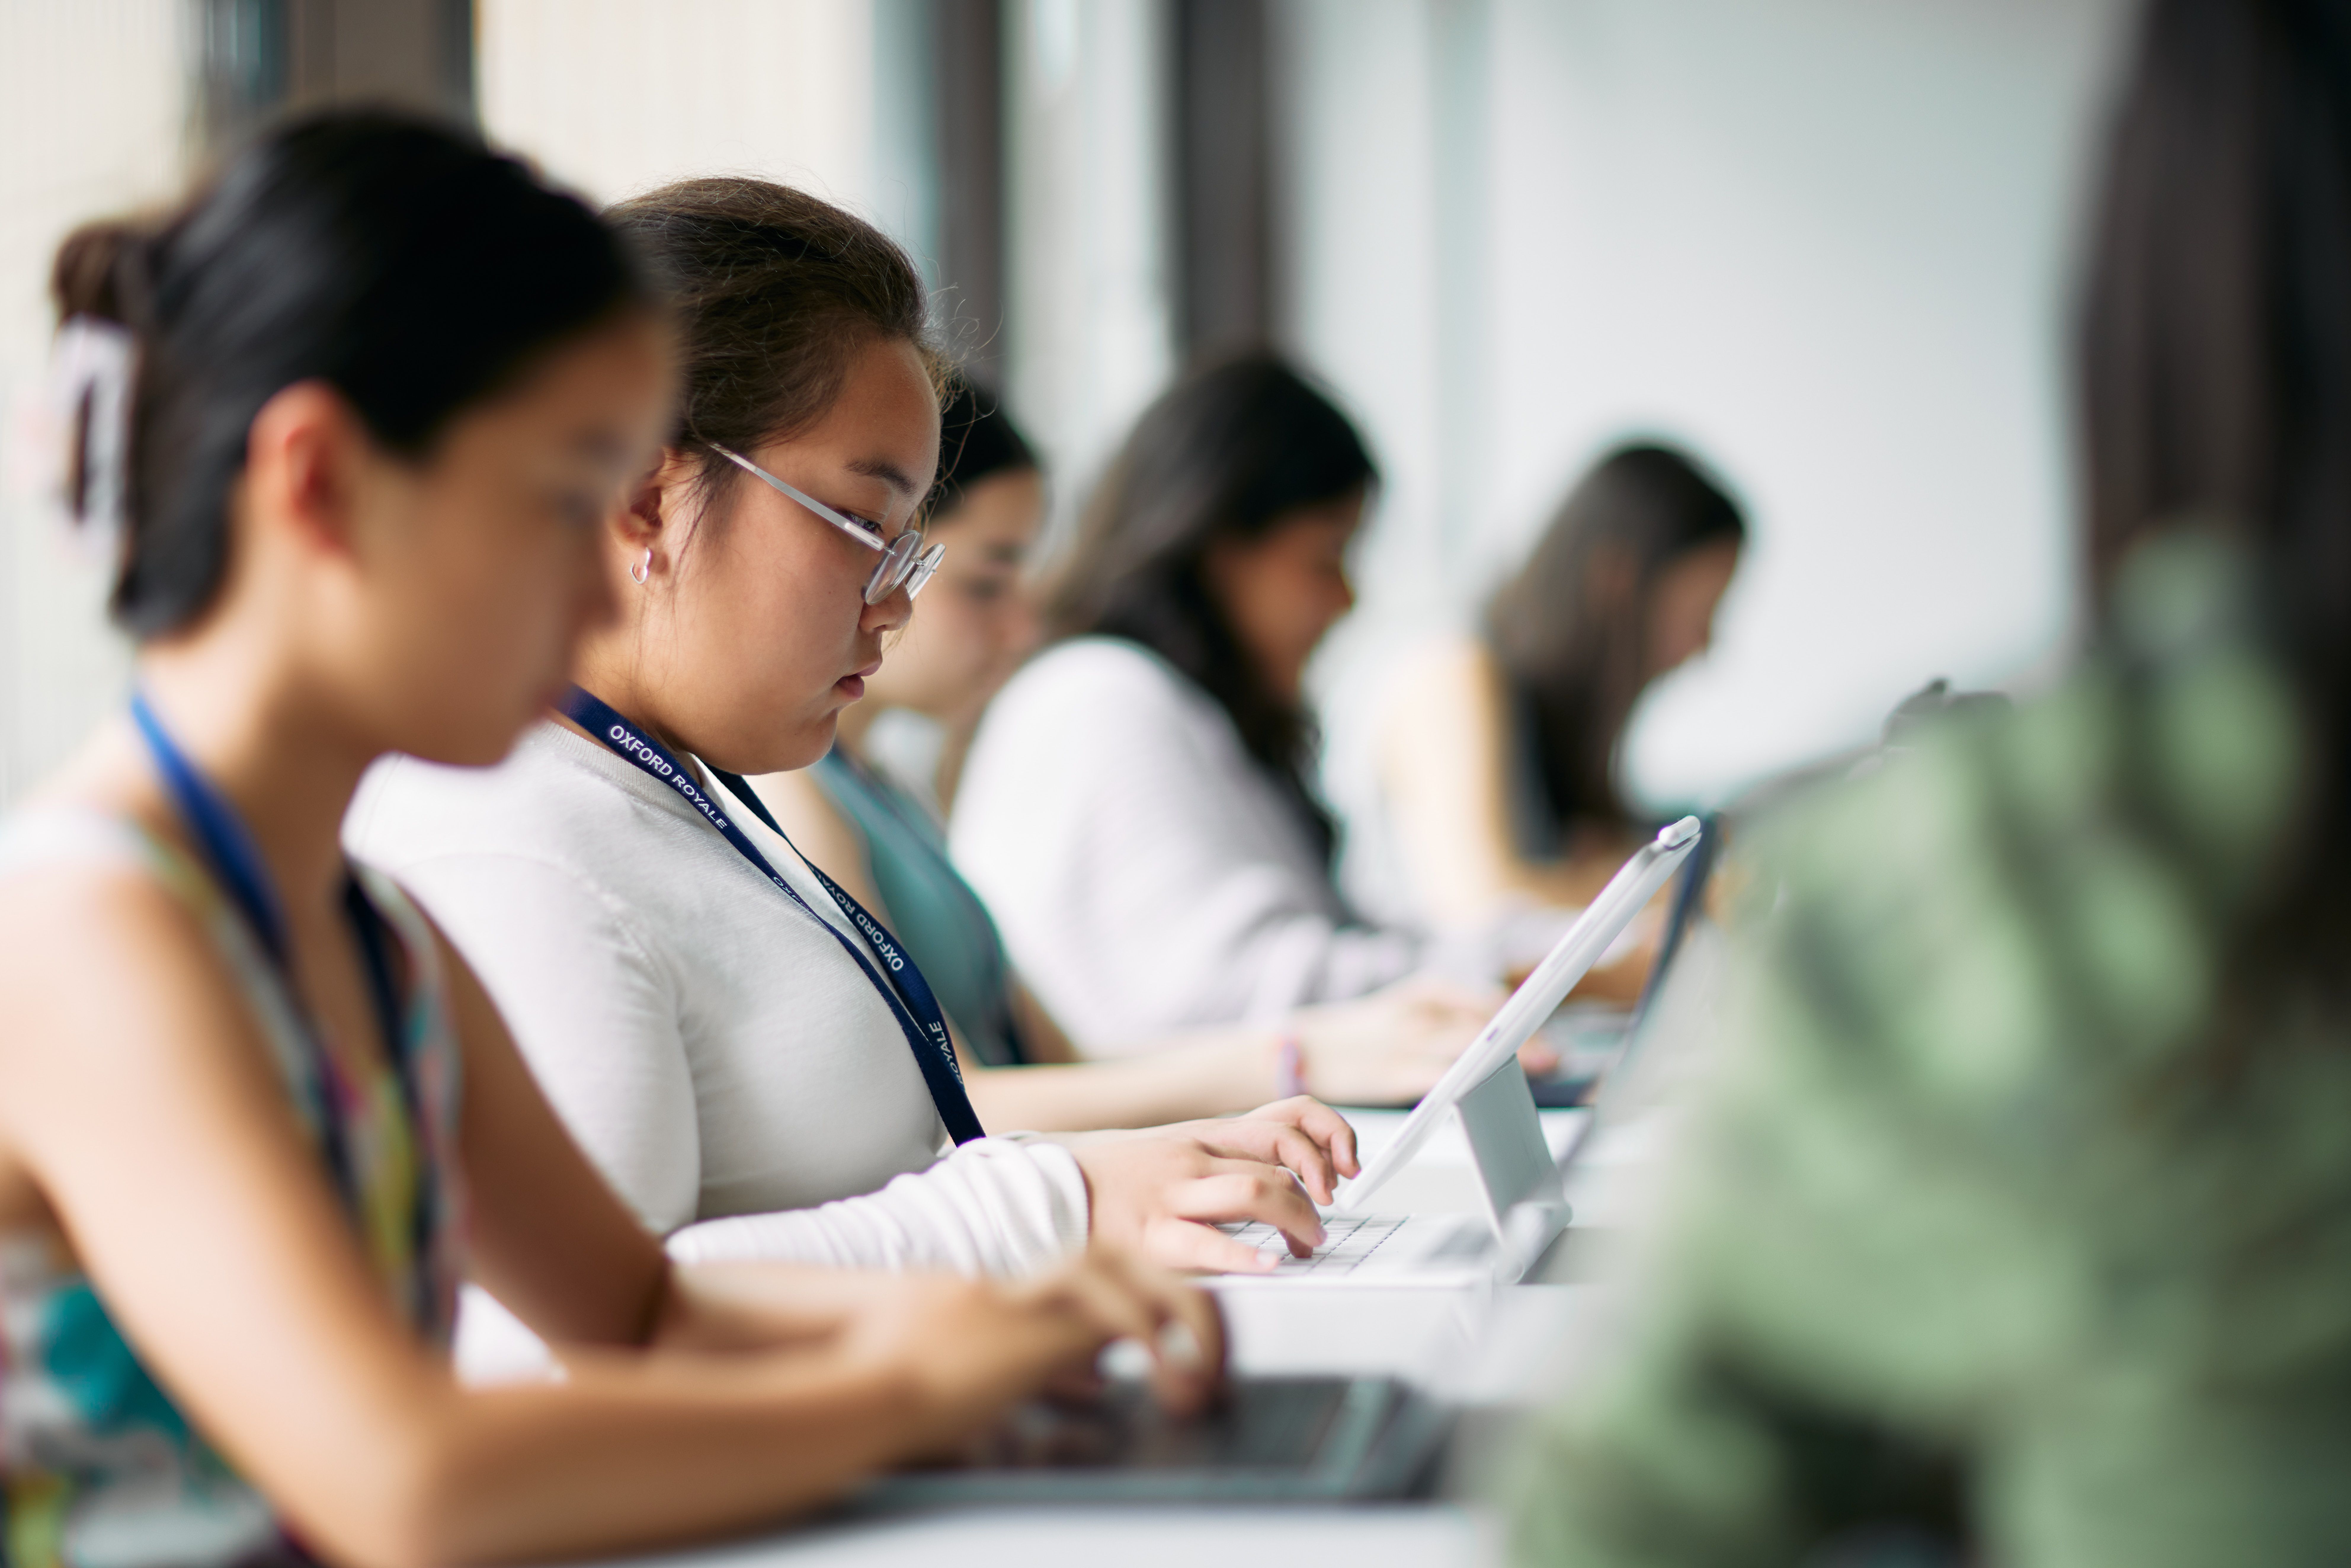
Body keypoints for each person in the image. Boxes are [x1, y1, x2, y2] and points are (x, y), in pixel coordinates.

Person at [0, 113, 1215, 1568]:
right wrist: (904, 1389)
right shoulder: (94, 929)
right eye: (559, 504)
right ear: (319, 484)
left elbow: (640, 1311)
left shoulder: (373, 931)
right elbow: (411, 1486)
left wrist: (1000, 1316)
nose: (602, 585)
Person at [1507, 0, 2351, 1561]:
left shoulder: (2042, 864)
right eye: (1707, 596)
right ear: (1630, 572)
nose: (1716, 634)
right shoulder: (1468, 681)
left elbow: (1620, 1520)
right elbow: (1496, 891)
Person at [346, 177, 1355, 1310]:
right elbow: (566, 1329)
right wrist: (1061, 1200)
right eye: (862, 529)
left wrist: (1137, 1172)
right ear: (645, 496)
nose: (895, 603)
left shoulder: (668, 785)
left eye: (907, 549)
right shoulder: (506, 839)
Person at [749, 379, 1520, 1126]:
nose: (1022, 628)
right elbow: (955, 1105)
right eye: (985, 583)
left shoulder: (888, 795)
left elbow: (1067, 1068)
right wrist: (1297, 1058)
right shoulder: (794, 791)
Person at [951, 357, 1426, 1051]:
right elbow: (1224, 990)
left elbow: (1327, 935)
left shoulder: (1180, 708)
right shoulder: (1101, 694)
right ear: (1221, 547)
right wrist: (1499, 975)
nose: (1346, 599)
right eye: (1326, 557)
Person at [1362, 443, 1745, 930]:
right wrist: (1699, 889)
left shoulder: (1553, 729)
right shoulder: (1454, 671)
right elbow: (1486, 904)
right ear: (1618, 581)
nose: (1704, 645)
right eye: (1700, 612)